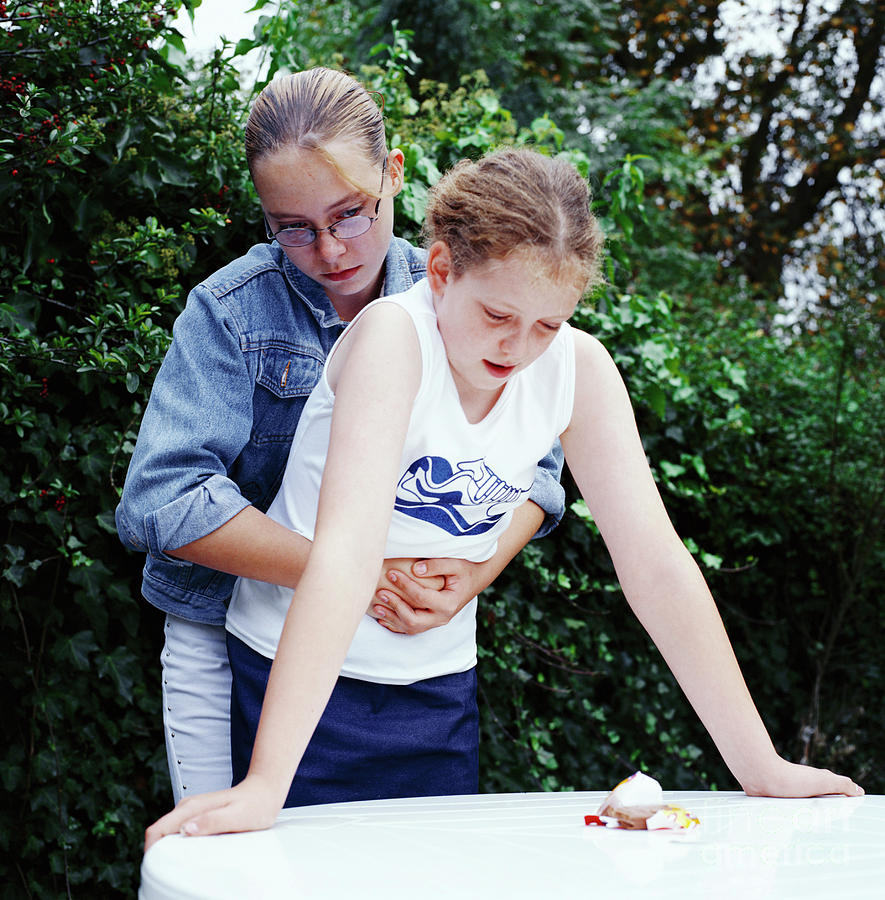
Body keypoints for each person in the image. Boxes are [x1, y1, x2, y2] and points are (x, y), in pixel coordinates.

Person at [144, 147, 863, 850]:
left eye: (548, 323)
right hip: (295, 685)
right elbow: (344, 557)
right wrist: (268, 782)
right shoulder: (395, 339)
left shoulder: (578, 368)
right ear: (440, 271)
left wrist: (759, 767)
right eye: (497, 315)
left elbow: (657, 567)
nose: (518, 347)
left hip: (436, 692)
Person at [115, 68, 566, 806]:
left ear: (392, 174)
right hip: (225, 640)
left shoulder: (463, 290)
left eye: (350, 213)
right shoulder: (229, 312)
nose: (328, 249)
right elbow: (165, 500)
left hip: (406, 664)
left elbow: (539, 467)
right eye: (293, 226)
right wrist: (354, 573)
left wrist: (472, 576)